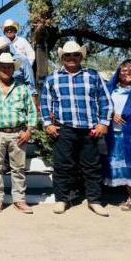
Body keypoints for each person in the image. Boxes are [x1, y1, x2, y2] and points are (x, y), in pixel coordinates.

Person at [41, 41, 113, 216]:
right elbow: (45, 103)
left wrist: (103, 123)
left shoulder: (93, 75)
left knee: (92, 166)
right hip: (64, 129)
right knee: (62, 166)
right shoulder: (53, 78)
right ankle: (61, 199)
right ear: (62, 58)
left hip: (90, 129)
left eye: (75, 55)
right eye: (67, 55)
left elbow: (106, 101)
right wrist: (48, 124)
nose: (71, 58)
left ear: (81, 56)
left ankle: (94, 200)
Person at [0, 53, 36, 214]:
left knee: (18, 168)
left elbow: (31, 111)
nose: (6, 69)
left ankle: (19, 200)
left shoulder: (22, 88)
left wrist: (29, 131)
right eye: (3, 67)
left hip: (18, 133)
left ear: (13, 69)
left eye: (9, 67)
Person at [104, 59, 131, 210]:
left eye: (130, 70)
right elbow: (102, 105)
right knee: (125, 169)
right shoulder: (111, 89)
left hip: (130, 134)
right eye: (123, 71)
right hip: (114, 135)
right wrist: (112, 113)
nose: (126, 73)